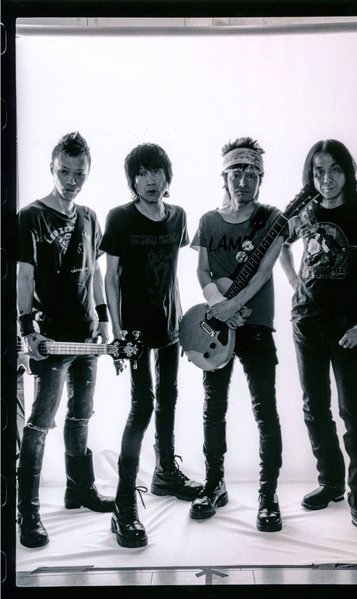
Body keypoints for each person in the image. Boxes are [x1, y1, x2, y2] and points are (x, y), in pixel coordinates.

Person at [280, 139, 357, 544]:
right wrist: (293, 281)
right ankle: (330, 482)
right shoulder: (305, 212)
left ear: (347, 171)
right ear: (310, 176)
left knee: (356, 415)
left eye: (334, 169)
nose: (326, 178)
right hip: (306, 325)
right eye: (318, 171)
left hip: (348, 330)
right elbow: (281, 244)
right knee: (314, 408)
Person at [101, 143, 202, 548]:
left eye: (156, 171)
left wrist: (181, 321)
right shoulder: (119, 218)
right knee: (142, 405)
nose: (150, 180)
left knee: (170, 397)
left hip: (169, 324)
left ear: (166, 176)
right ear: (132, 180)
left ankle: (165, 474)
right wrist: (118, 331)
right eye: (142, 173)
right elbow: (110, 277)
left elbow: (173, 272)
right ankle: (124, 504)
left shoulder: (178, 217)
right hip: (134, 330)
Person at [17, 132, 114, 549]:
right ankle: (27, 511)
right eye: (64, 172)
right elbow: (23, 275)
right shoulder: (30, 216)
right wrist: (27, 329)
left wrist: (104, 320)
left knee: (81, 414)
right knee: (40, 421)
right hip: (50, 336)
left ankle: (80, 489)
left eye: (79, 174)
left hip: (86, 334)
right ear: (52, 168)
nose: (72, 181)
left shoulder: (91, 217)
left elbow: (95, 272)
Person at [189, 137, 285, 532]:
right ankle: (214, 485)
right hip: (217, 328)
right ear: (224, 177)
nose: (243, 181)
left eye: (251, 174)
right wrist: (219, 303)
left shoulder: (273, 218)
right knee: (213, 408)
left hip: (256, 324)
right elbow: (202, 270)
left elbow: (264, 272)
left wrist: (235, 305)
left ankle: (268, 496)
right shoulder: (208, 221)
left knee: (265, 410)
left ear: (260, 178)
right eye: (236, 173)